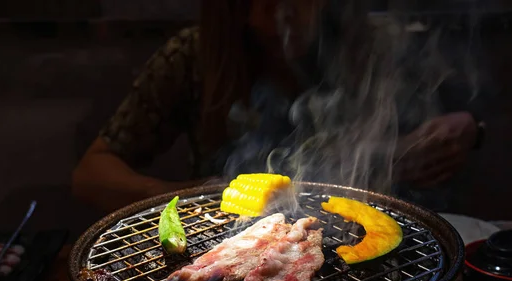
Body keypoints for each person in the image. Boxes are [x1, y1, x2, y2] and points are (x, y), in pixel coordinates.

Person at [73, 0, 484, 213]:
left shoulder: (369, 46)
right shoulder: (192, 57)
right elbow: (91, 173)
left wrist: (465, 129)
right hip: (233, 240)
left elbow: (442, 119)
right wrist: (181, 195)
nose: (286, 11)